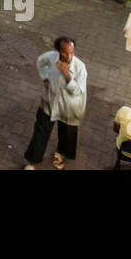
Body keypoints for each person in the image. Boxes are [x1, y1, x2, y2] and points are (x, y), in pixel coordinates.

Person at [24, 37, 87, 170]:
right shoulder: (50, 58)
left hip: (69, 107)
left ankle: (60, 156)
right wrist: (44, 77)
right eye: (65, 52)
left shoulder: (80, 68)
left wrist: (67, 75)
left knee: (67, 134)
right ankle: (33, 161)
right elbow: (41, 62)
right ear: (58, 51)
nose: (69, 56)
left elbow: (77, 91)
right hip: (50, 101)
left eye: (72, 52)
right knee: (41, 131)